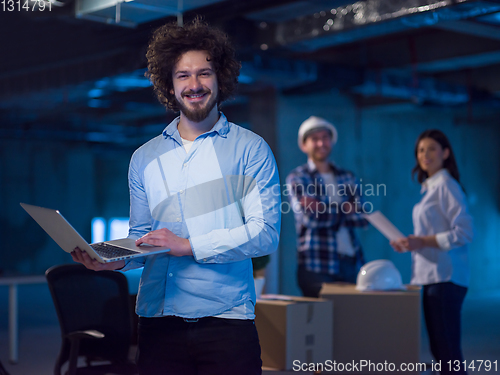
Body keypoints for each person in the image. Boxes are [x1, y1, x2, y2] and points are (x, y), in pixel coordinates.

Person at [71, 18, 281, 375]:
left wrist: (188, 244)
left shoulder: (250, 149)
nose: (194, 85)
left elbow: (265, 234)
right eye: (183, 75)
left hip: (225, 322)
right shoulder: (144, 158)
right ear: (169, 84)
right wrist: (114, 260)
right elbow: (143, 238)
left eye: (204, 73)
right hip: (158, 322)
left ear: (221, 78)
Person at [390, 129, 473, 375]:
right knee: (440, 352)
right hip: (430, 277)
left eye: (432, 149)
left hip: (446, 277)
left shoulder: (447, 185)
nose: (425, 154)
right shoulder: (431, 187)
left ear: (445, 153)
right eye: (421, 150)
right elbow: (429, 236)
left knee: (448, 354)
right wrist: (410, 243)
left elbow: (465, 232)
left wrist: (422, 241)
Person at [286, 116, 368, 298]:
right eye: (315, 139)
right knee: (319, 324)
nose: (321, 143)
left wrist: (322, 207)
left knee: (348, 322)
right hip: (316, 263)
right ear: (304, 145)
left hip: (350, 261)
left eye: (325, 137)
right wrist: (345, 208)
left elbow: (362, 217)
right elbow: (310, 218)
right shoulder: (298, 177)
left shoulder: (347, 176)